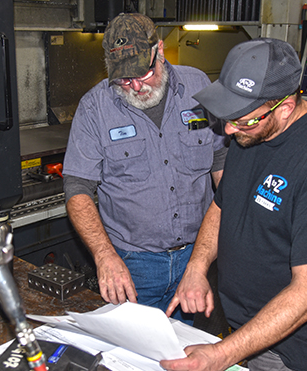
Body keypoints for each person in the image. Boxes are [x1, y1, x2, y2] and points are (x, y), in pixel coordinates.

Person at [160, 38, 307, 371]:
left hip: (284, 348)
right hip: (242, 332)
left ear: (285, 107)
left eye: (240, 119)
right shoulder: (250, 133)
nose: (227, 130)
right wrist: (196, 266)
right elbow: (223, 205)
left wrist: (220, 355)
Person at [62, 13, 227, 324]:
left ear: (160, 51)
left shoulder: (198, 86)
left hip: (198, 255)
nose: (136, 86)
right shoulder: (95, 107)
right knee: (132, 356)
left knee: (182, 350)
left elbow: (221, 164)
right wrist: (104, 256)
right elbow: (78, 187)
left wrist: (219, 247)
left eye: (143, 73)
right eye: (124, 78)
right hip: (133, 263)